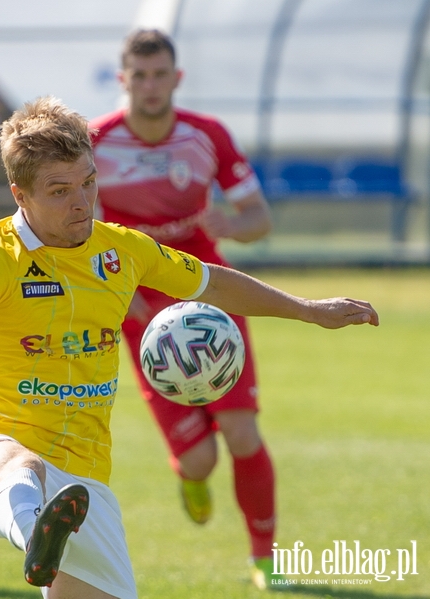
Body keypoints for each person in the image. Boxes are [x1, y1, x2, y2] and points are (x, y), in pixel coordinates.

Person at [0, 96, 378, 598]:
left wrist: (308, 309)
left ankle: (50, 535)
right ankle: (35, 536)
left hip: (84, 488)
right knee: (21, 468)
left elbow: (213, 284)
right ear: (20, 195)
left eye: (88, 182)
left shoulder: (121, 249)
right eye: (60, 190)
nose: (81, 202)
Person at [88, 29, 280, 589]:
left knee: (243, 434)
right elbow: (86, 242)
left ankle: (265, 558)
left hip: (211, 296)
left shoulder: (207, 136)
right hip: (139, 310)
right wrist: (132, 302)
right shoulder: (95, 143)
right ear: (124, 81)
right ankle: (191, 475)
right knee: (201, 462)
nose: (150, 86)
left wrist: (233, 224)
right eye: (139, 76)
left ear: (177, 78)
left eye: (159, 74)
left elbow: (257, 217)